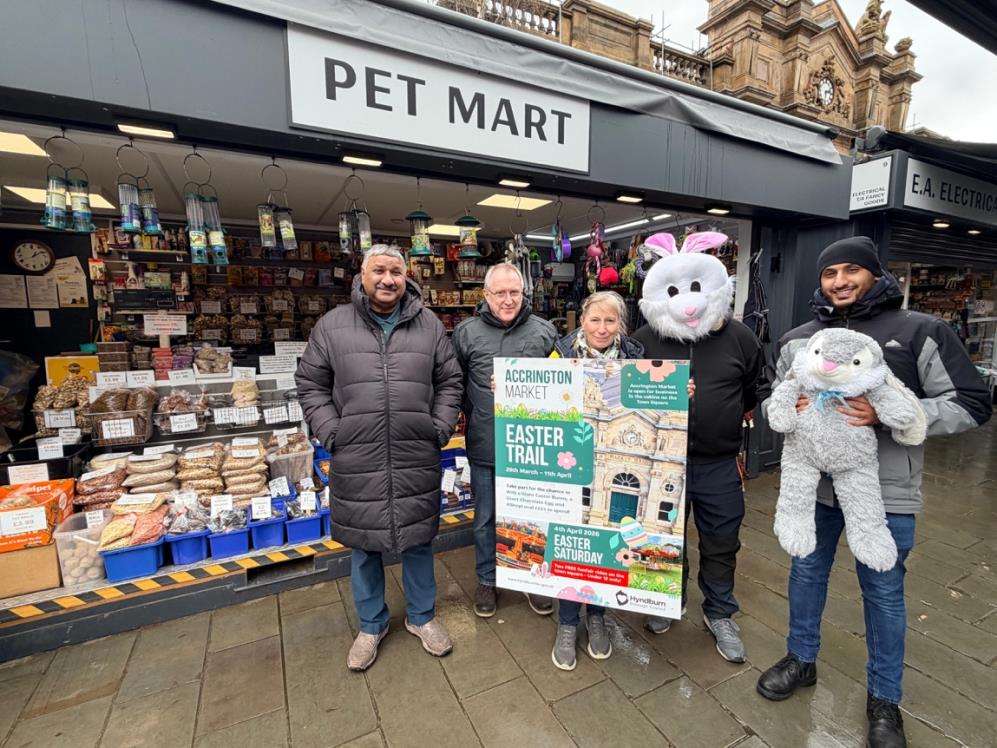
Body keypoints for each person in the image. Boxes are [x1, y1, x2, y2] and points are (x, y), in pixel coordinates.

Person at [756, 237, 992, 748]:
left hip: (885, 494)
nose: (839, 281)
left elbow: (972, 402)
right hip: (815, 490)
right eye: (828, 274)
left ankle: (885, 698)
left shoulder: (919, 331)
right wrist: (789, 414)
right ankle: (801, 658)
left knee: (884, 593)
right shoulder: (799, 339)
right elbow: (778, 394)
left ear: (874, 274)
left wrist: (890, 414)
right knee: (805, 574)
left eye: (850, 271)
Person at [296, 244, 463, 672]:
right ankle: (371, 625)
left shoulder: (429, 326)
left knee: (419, 539)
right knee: (364, 546)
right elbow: (310, 383)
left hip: (415, 452)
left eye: (395, 271)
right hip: (357, 453)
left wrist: (439, 427)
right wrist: (332, 431)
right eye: (379, 271)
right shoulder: (333, 326)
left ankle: (422, 618)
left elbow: (450, 380)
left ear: (406, 276)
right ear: (362, 274)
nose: (388, 279)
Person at [631, 231, 762, 663]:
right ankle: (667, 601)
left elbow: (752, 391)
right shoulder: (643, 339)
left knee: (722, 538)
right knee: (661, 537)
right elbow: (620, 393)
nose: (687, 300)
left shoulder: (741, 338)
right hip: (660, 463)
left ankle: (720, 611)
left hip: (719, 462)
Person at [452, 262, 557, 618]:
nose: (508, 299)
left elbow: (567, 384)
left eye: (515, 292)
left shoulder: (544, 332)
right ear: (486, 295)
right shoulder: (465, 334)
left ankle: (532, 578)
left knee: (531, 517)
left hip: (535, 446)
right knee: (486, 518)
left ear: (523, 293)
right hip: (487, 442)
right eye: (501, 293)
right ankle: (487, 578)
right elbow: (454, 385)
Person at [547, 290, 645, 670]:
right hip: (571, 458)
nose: (602, 329)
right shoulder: (560, 353)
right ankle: (568, 623)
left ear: (620, 324)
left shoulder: (635, 357)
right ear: (582, 321)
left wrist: (679, 394)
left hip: (620, 452)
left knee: (607, 542)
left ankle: (599, 617)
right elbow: (541, 396)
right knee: (573, 544)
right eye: (594, 320)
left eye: (610, 321)